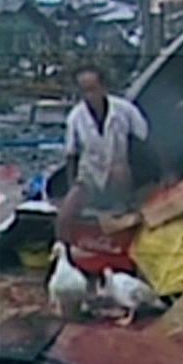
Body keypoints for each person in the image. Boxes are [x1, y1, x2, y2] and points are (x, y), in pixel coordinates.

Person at [56, 64, 151, 243]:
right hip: (90, 174)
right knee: (65, 216)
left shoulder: (125, 110)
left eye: (92, 89)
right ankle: (63, 250)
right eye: (84, 91)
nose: (89, 96)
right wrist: (72, 187)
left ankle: (123, 206)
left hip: (118, 172)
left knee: (119, 173)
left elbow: (145, 141)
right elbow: (71, 155)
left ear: (103, 87)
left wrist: (156, 175)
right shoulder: (76, 117)